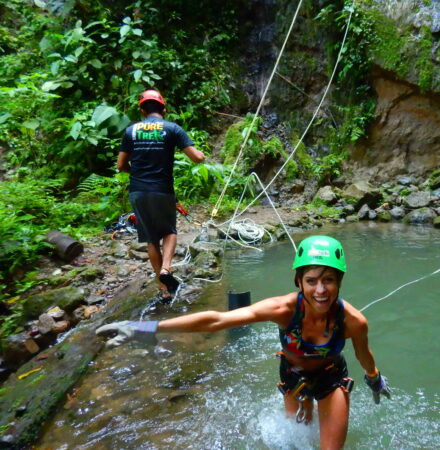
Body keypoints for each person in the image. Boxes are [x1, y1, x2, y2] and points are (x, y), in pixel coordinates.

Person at [96, 235, 391, 450]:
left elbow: (363, 352)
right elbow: (217, 320)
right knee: (295, 438)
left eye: (329, 280)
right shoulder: (282, 310)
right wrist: (146, 327)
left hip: (331, 378)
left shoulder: (353, 321)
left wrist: (374, 379)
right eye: (311, 280)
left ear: (339, 281)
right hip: (293, 377)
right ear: (298, 282)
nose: (320, 289)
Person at [117, 89, 205, 302]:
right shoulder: (172, 129)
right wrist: (201, 154)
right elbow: (197, 158)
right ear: (163, 109)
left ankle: (162, 287)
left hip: (138, 191)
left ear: (142, 110)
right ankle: (166, 268)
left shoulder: (131, 130)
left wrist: (137, 173)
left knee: (150, 238)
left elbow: (121, 165)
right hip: (162, 189)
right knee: (170, 231)